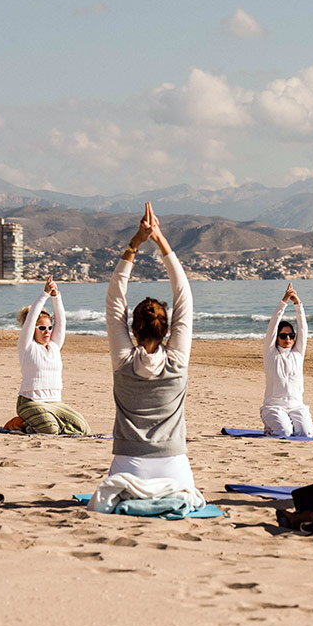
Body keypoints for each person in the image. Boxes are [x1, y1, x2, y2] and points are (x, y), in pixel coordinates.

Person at [104, 202, 196, 488]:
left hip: (128, 464)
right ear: (167, 329)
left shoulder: (124, 359)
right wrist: (159, 239)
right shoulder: (176, 359)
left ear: (132, 328)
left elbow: (114, 300)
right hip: (174, 466)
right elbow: (184, 295)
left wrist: (136, 242)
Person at [16, 275, 90, 435]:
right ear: (33, 329)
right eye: (42, 328)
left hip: (55, 402)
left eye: (49, 328)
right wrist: (45, 295)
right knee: (49, 429)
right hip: (30, 401)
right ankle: (21, 425)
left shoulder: (55, 346)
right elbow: (31, 320)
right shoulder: (27, 346)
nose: (47, 332)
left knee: (83, 428)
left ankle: (49, 422)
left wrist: (56, 296)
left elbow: (61, 322)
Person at [261, 282, 313, 437]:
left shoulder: (298, 353)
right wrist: (284, 302)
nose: (288, 339)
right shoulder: (271, 353)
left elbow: (303, 329)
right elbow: (273, 324)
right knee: (284, 432)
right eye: (283, 336)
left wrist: (298, 304)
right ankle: (269, 426)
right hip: (274, 407)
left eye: (291, 336)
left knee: (306, 434)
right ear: (277, 337)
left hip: (297, 406)